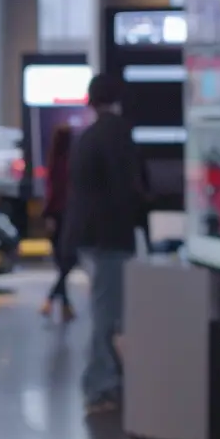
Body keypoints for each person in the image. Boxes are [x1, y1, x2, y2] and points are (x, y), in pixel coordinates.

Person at [63, 74, 147, 416]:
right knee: (108, 314)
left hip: (87, 236)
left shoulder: (87, 138)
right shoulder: (119, 136)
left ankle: (107, 380)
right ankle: (100, 386)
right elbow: (129, 188)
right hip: (112, 236)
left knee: (105, 310)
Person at [39, 123, 76, 322]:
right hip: (68, 216)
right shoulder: (71, 164)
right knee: (67, 263)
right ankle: (54, 301)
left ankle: (63, 305)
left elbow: (51, 192)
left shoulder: (53, 162)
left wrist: (48, 215)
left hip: (56, 216)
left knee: (63, 263)